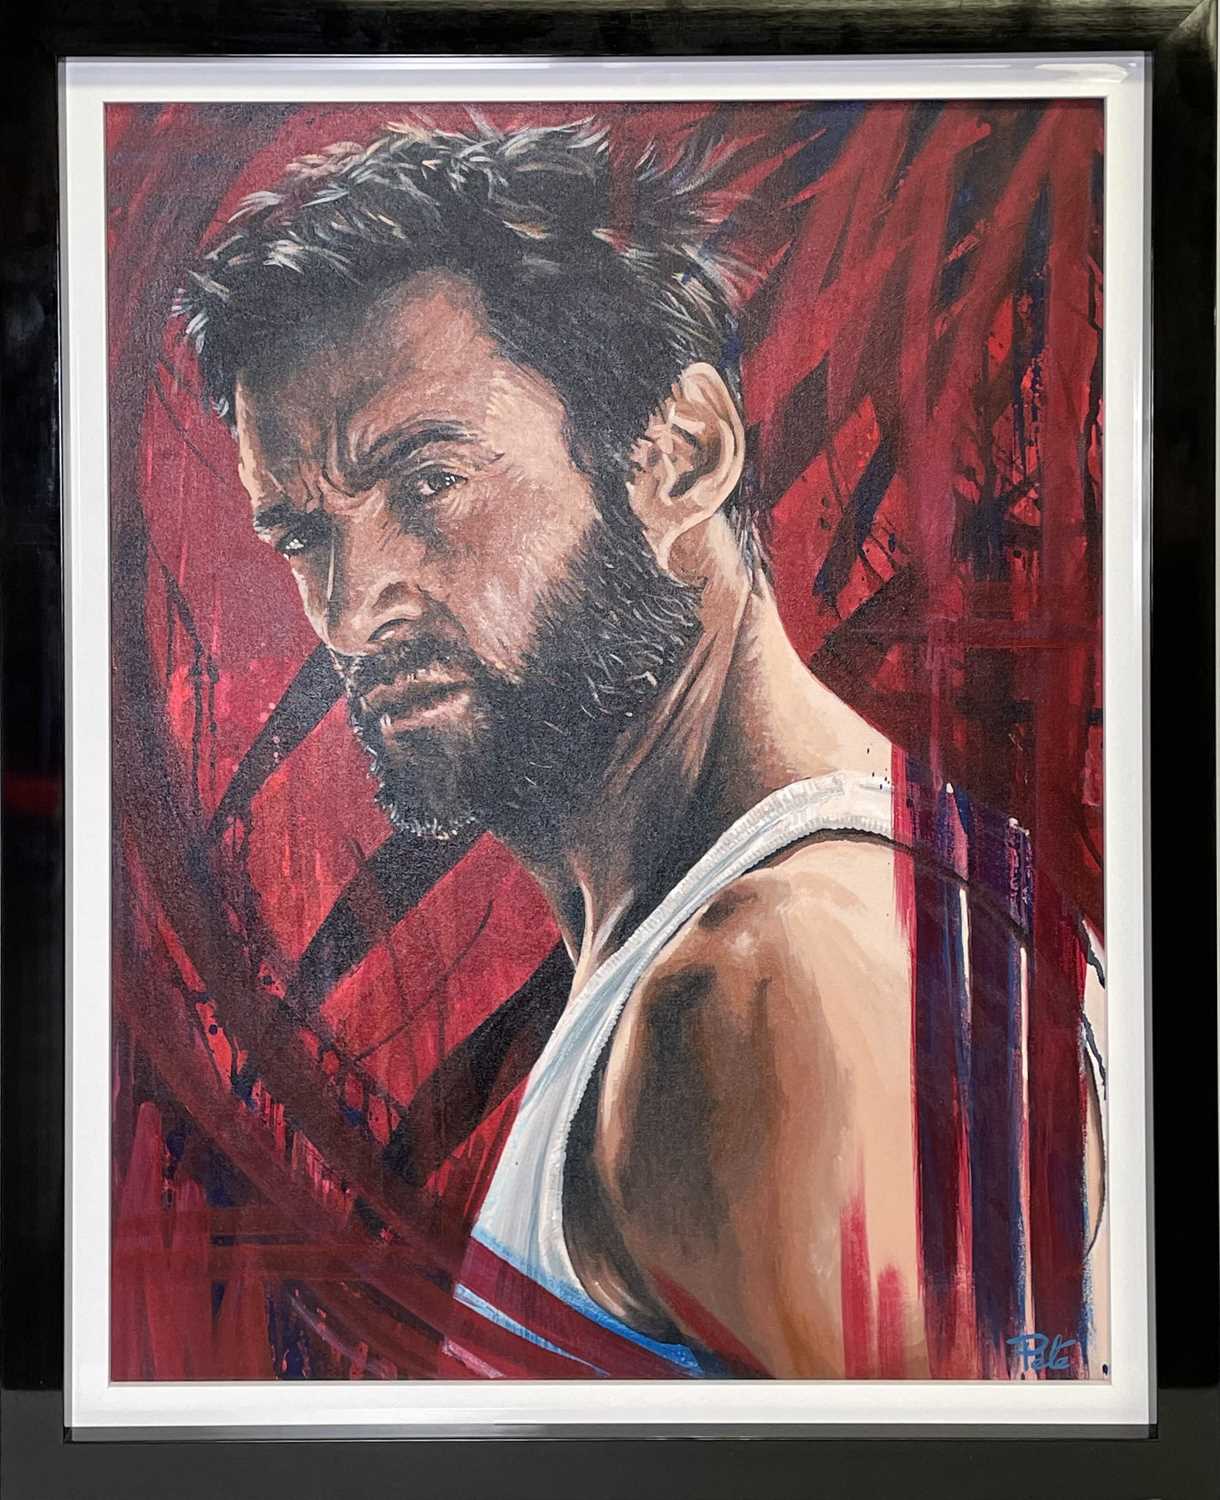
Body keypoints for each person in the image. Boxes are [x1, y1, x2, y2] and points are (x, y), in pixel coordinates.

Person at [177, 119, 1105, 1379]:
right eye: (303, 536)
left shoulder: (774, 985)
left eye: (427, 483)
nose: (350, 613)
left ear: (681, 457)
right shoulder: (771, 929)